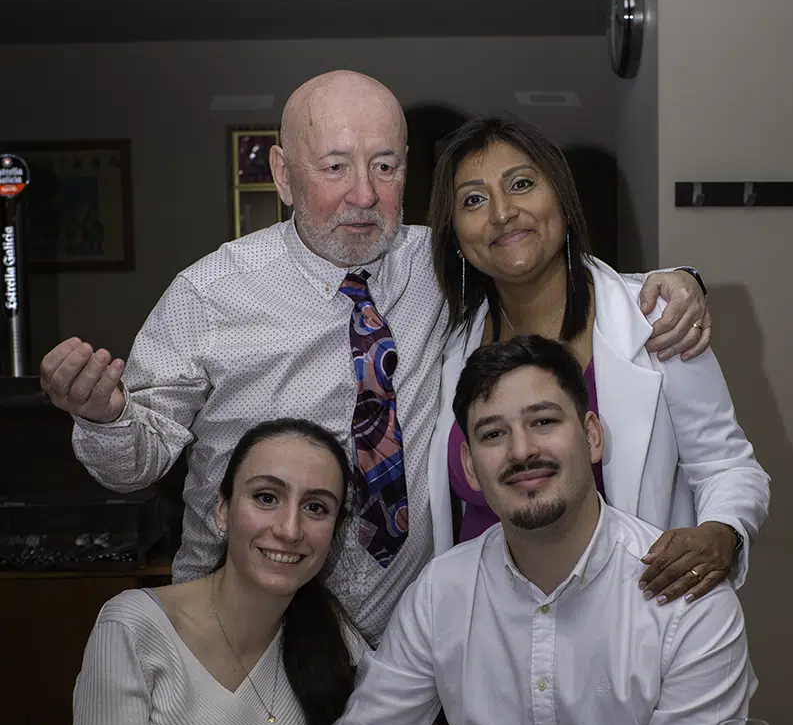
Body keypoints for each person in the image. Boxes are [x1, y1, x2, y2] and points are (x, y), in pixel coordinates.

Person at [40, 71, 710, 644]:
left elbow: (538, 265)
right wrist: (106, 417)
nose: (363, 194)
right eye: (334, 167)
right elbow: (135, 467)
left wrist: (678, 283)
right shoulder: (209, 294)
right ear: (282, 174)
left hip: (413, 637)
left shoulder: (441, 264)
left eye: (384, 166)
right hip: (246, 633)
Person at [287, 338, 753, 725]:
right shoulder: (443, 594)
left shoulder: (688, 601)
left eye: (544, 422)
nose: (522, 450)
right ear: (468, 465)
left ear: (593, 436)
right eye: (493, 434)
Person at [71, 418, 464, 725]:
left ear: (333, 533)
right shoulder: (131, 626)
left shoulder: (322, 631)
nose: (290, 529)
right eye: (266, 498)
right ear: (222, 511)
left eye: (316, 507)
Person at [428, 115, 769, 605]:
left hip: (629, 619)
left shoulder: (655, 321)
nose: (501, 213)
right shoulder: (443, 340)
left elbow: (727, 464)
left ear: (562, 200)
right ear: (456, 234)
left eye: (521, 184)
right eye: (474, 200)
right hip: (484, 626)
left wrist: (724, 532)